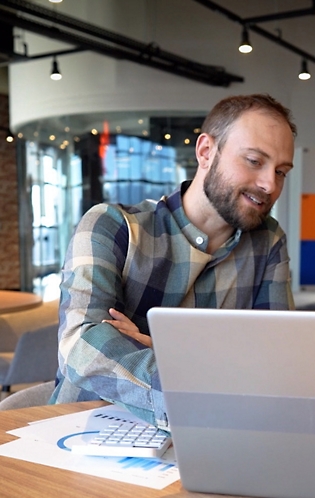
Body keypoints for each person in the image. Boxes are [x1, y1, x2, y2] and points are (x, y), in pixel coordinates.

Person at [50, 94, 297, 430]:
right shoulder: (113, 226)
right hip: (82, 432)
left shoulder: (268, 241)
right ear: (206, 152)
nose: (270, 184)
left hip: (210, 433)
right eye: (255, 161)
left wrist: (168, 353)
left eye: (281, 171)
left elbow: (273, 360)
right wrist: (197, 383)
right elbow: (82, 347)